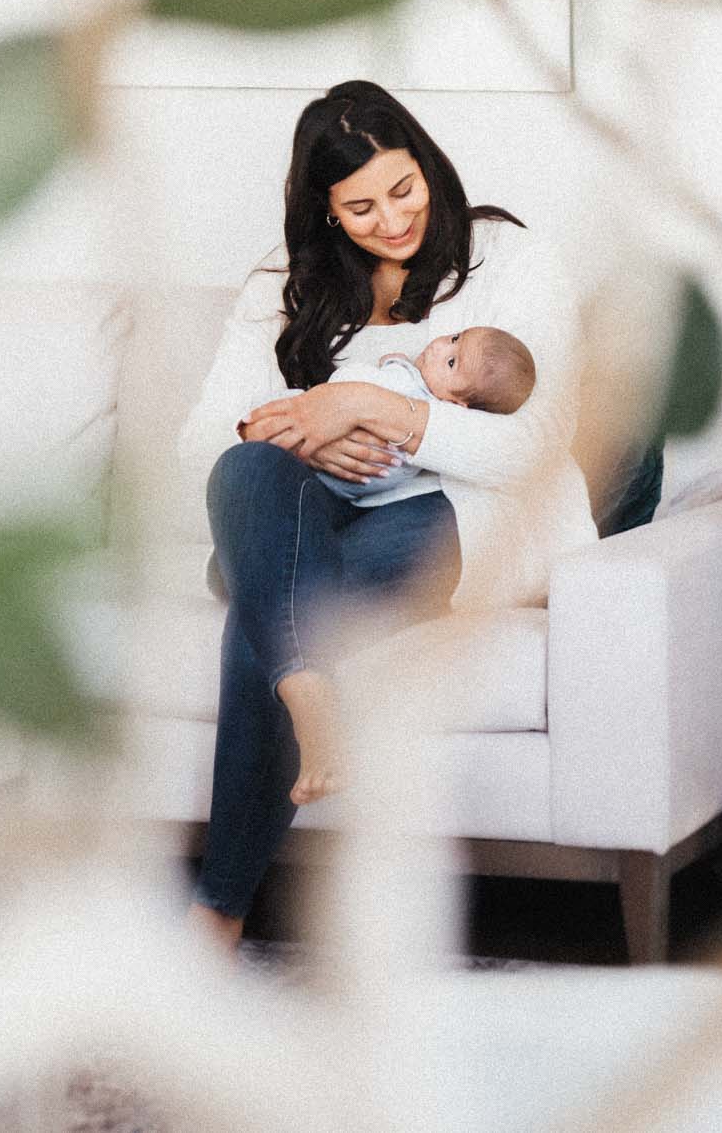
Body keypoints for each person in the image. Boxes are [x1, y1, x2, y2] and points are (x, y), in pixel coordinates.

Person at [179, 79, 596, 955]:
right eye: (361, 208)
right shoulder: (282, 284)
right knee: (248, 469)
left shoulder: (511, 261)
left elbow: (537, 444)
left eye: (404, 190)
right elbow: (203, 445)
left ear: (428, 167)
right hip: (321, 511)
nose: (394, 220)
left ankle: (216, 911)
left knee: (264, 598)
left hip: (469, 520)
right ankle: (305, 677)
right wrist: (305, 431)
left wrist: (374, 408)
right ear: (325, 210)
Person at [310, 326, 537, 504]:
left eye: (451, 362)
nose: (439, 347)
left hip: (330, 464)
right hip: (345, 487)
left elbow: (344, 389)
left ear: (457, 405)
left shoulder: (414, 397)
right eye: (454, 338)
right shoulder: (428, 412)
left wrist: (391, 367)